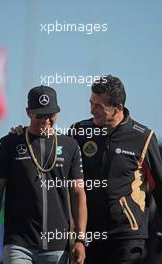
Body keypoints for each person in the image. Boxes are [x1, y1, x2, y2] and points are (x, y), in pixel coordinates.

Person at [0, 85, 87, 264]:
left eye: (51, 114)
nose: (46, 120)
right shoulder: (9, 143)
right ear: (28, 113)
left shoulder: (70, 146)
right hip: (19, 244)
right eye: (39, 115)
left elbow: (78, 193)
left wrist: (80, 240)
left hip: (58, 247)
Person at [68, 75, 162, 264]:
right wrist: (23, 134)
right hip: (88, 237)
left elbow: (159, 189)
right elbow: (54, 152)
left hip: (127, 238)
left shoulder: (143, 138)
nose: (91, 110)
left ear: (117, 108)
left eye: (98, 106)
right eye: (91, 103)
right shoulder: (78, 131)